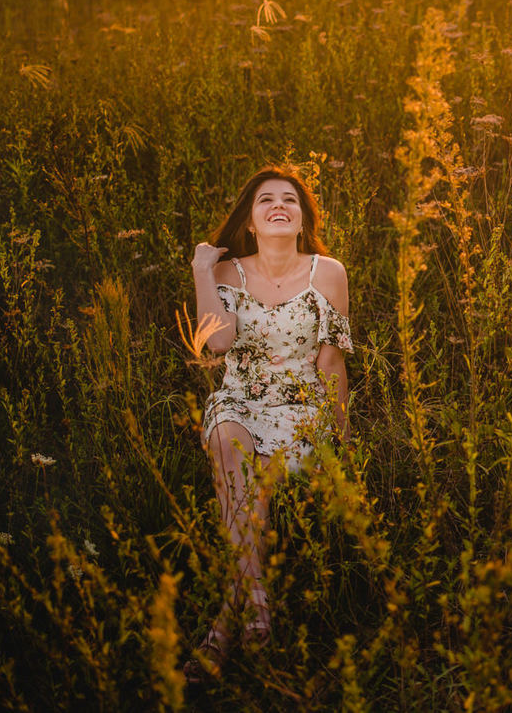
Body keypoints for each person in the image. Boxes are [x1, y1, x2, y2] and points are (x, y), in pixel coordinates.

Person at [183, 165, 353, 680]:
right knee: (227, 442)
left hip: (302, 408)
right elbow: (217, 344)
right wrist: (201, 269)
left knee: (254, 483)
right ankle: (257, 599)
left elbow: (331, 362)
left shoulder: (329, 273)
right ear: (251, 221)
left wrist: (341, 444)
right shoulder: (225, 273)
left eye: (290, 199)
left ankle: (227, 618)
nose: (279, 205)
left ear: (302, 218)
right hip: (239, 400)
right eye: (266, 200)